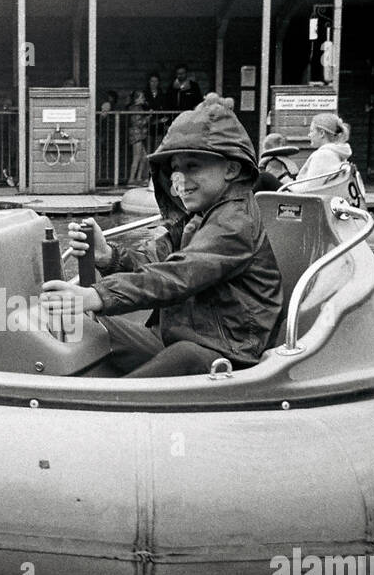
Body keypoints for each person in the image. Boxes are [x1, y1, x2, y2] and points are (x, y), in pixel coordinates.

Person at [41, 93, 284, 378]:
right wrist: (109, 256)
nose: (180, 179)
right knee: (84, 325)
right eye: (175, 168)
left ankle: (98, 409)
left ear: (231, 168)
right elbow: (157, 258)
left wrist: (98, 294)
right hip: (182, 336)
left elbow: (178, 274)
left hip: (226, 350)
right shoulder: (200, 216)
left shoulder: (235, 222)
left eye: (193, 166)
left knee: (185, 356)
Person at [295, 112, 352, 185]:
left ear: (322, 133)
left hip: (302, 194)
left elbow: (311, 187)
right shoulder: (336, 152)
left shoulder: (322, 155)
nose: (309, 135)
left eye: (311, 131)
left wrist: (289, 187)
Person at [125, 90, 151, 186]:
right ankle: (131, 179)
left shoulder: (139, 107)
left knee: (143, 157)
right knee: (136, 157)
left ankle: (138, 177)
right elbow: (138, 123)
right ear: (137, 99)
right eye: (142, 97)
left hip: (139, 134)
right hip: (136, 135)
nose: (143, 99)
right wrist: (147, 118)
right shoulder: (135, 108)